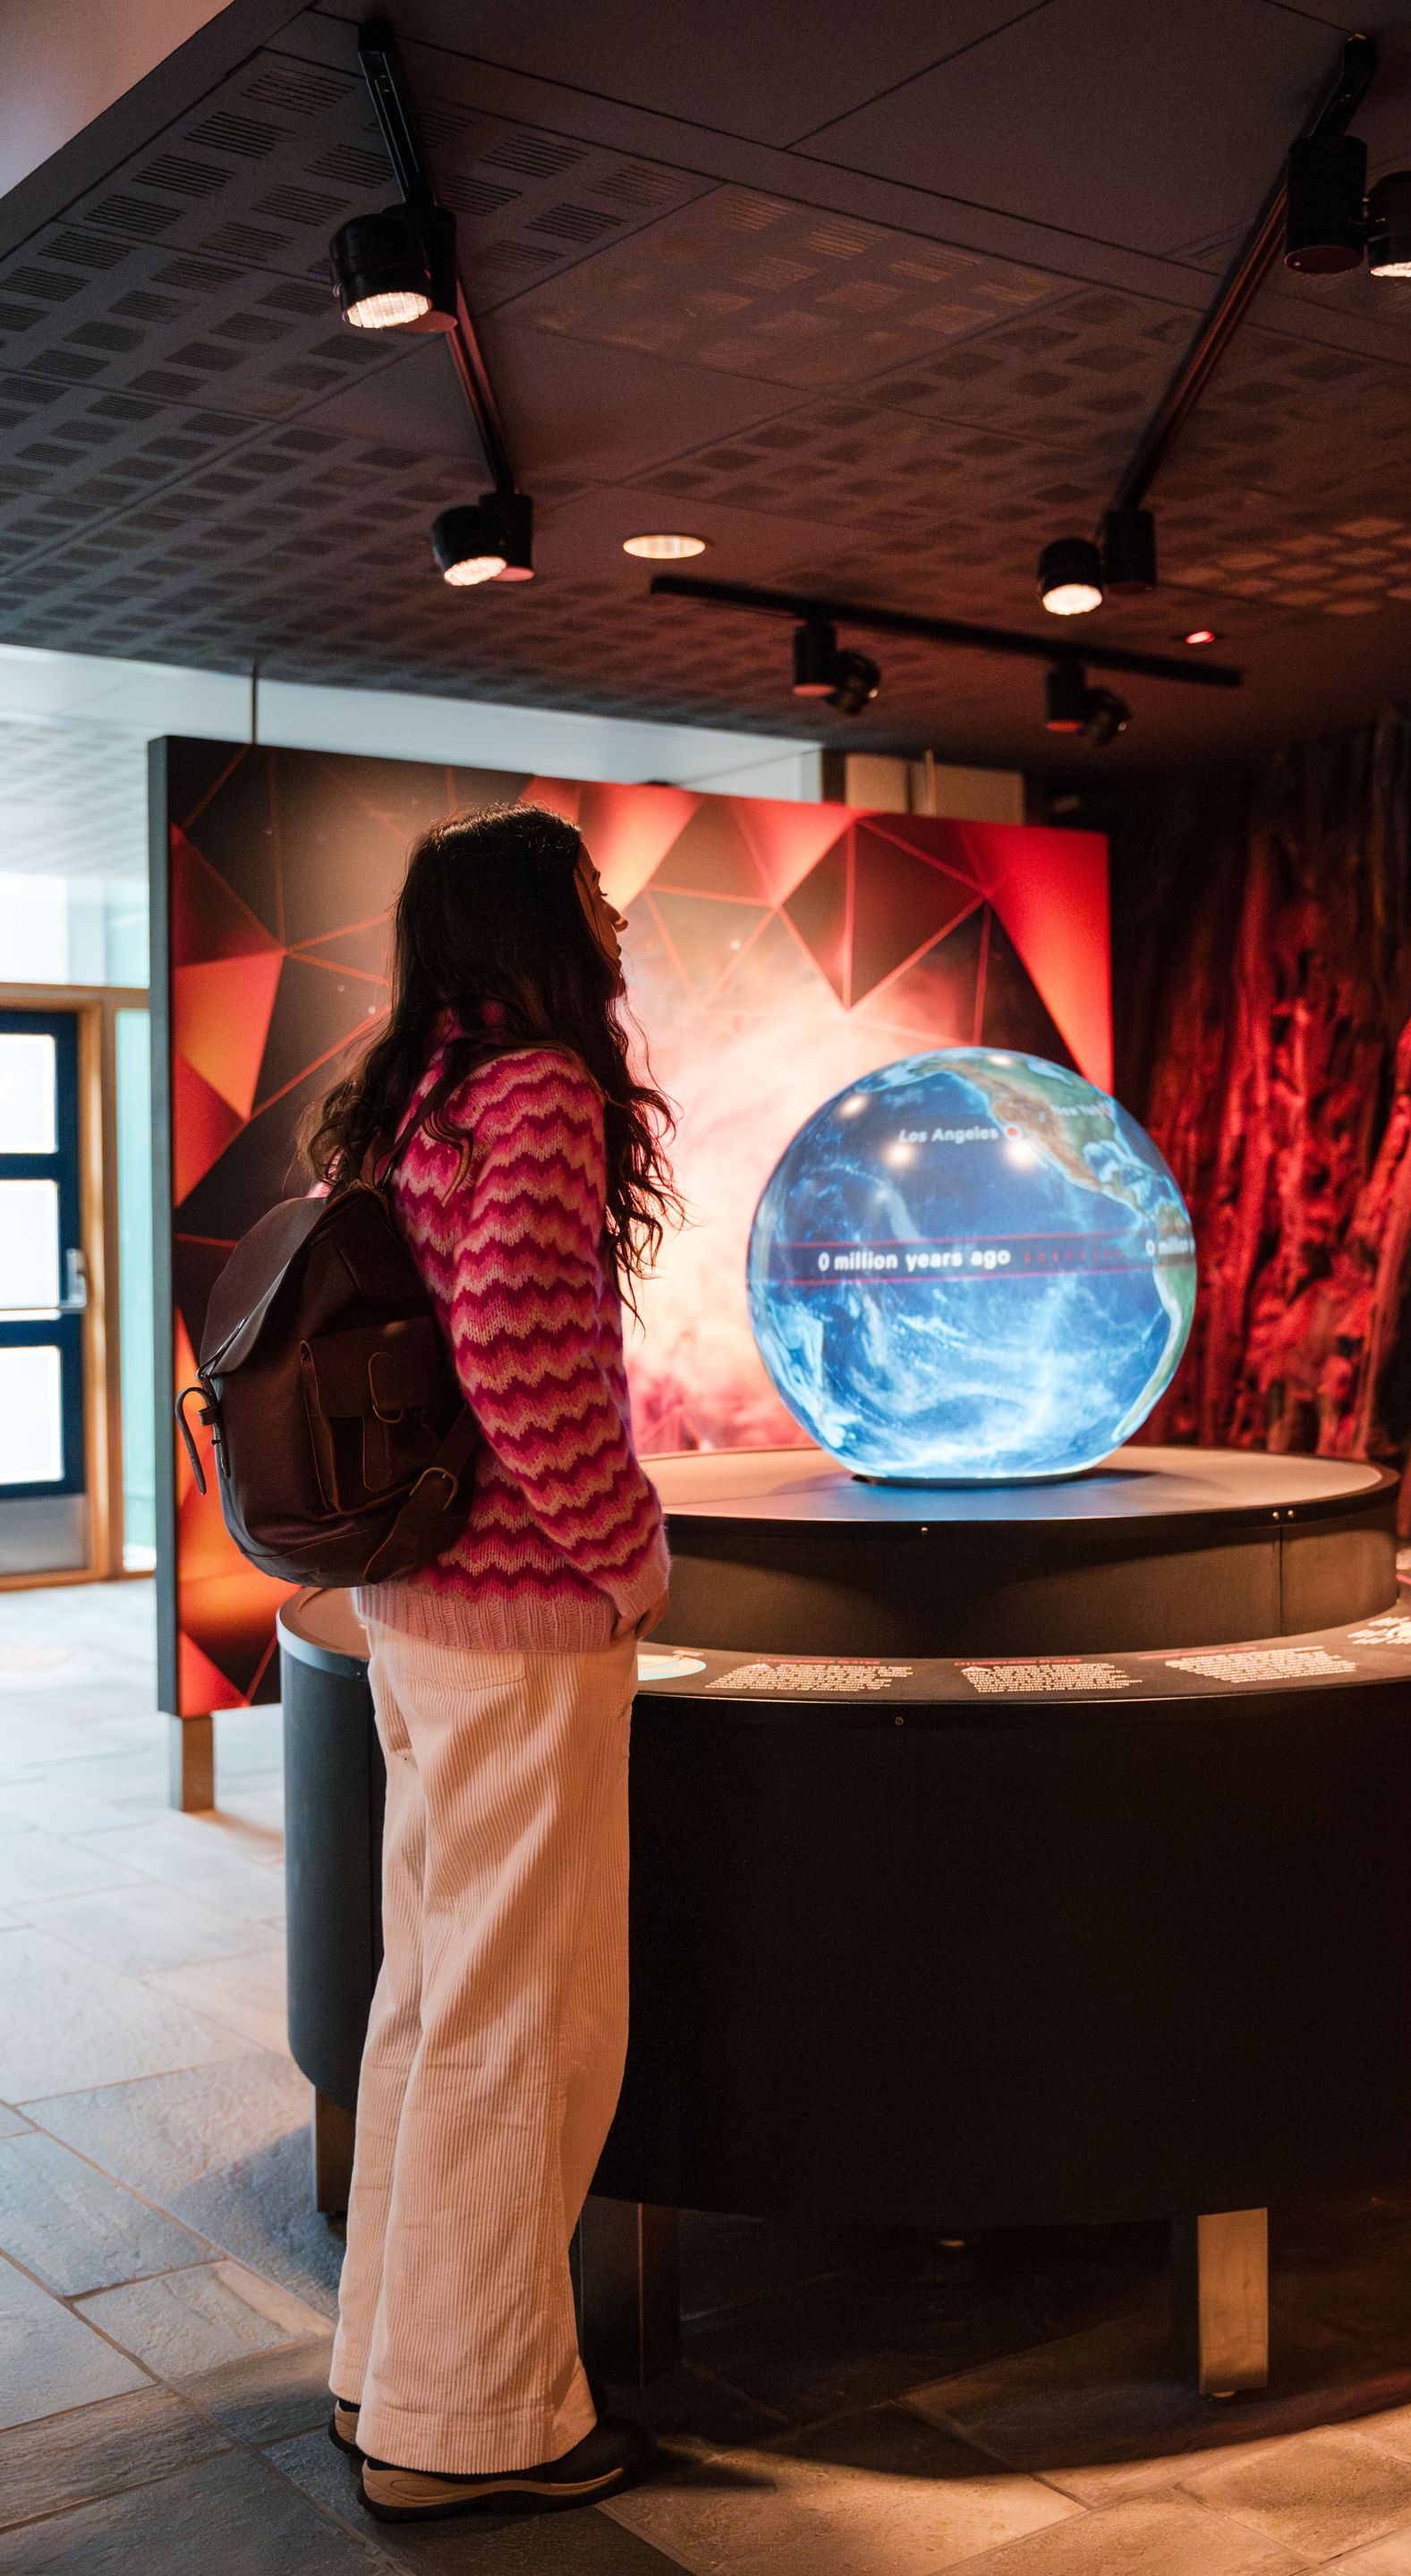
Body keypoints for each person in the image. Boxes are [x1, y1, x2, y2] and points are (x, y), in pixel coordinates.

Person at [302, 802, 676, 2524]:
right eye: (588, 889)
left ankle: (389, 2369)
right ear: (534, 920)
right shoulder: (537, 1091)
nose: (610, 912)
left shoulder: (417, 1098)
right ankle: (477, 2428)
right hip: (522, 1625)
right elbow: (527, 1371)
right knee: (526, 2023)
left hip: (419, 1613)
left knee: (433, 2000)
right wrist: (633, 1558)